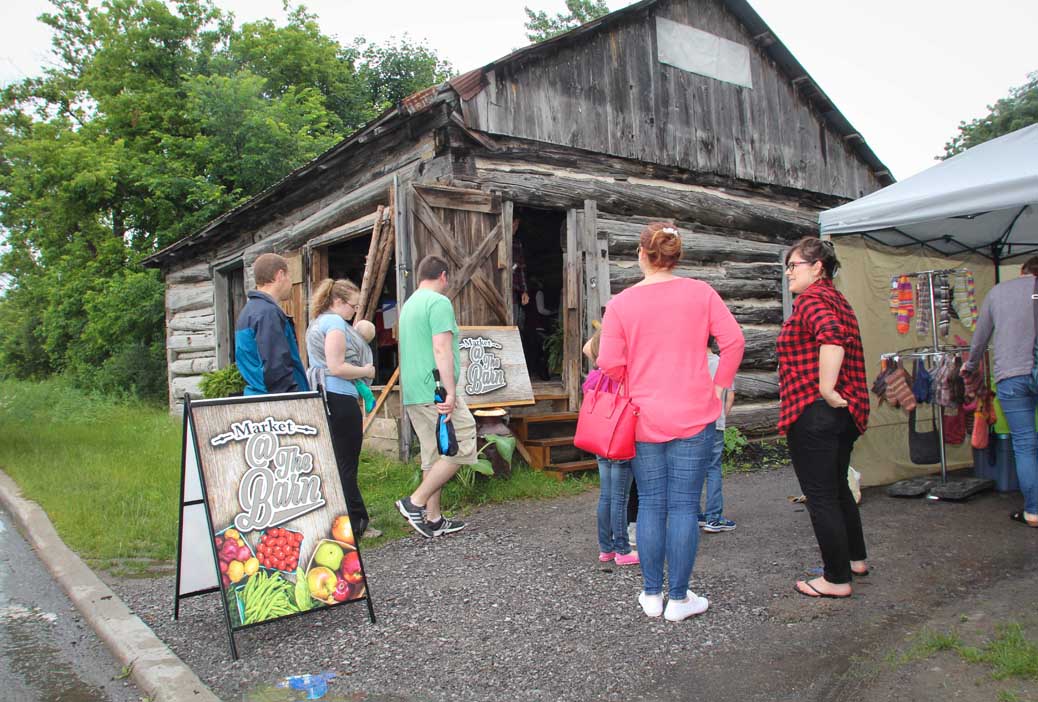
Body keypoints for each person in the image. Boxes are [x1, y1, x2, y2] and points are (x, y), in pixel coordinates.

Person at [597, 222, 745, 622]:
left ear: (642, 255)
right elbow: (734, 342)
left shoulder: (622, 304)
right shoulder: (701, 293)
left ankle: (650, 594)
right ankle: (678, 600)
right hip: (696, 416)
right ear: (676, 256)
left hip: (643, 418)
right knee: (682, 507)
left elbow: (608, 364)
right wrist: (721, 387)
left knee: (649, 504)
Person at [778, 237, 870, 599]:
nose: (789, 272)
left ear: (817, 267)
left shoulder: (813, 299)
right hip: (842, 415)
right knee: (837, 488)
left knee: (820, 495)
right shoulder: (837, 298)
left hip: (814, 412)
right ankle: (855, 558)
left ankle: (836, 578)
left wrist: (827, 387)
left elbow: (831, 339)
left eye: (794, 265)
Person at [394, 255, 478, 538]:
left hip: (414, 390)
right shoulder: (438, 303)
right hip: (436, 389)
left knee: (433, 452)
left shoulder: (408, 305)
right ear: (443, 276)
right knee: (462, 444)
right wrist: (451, 392)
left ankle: (434, 519)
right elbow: (441, 348)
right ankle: (414, 502)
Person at [963, 256, 1038, 528]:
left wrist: (970, 366)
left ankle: (1033, 511)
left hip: (1012, 374)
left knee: (1025, 445)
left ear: (1022, 272)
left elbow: (980, 336)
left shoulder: (999, 292)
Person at [305, 279, 377, 540]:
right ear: (338, 302)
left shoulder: (317, 322)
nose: (353, 313)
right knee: (346, 464)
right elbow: (337, 367)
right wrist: (365, 371)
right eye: (352, 306)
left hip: (323, 396)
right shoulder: (334, 324)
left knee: (333, 463)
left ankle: (336, 521)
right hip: (340, 397)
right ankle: (356, 524)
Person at [583, 326, 638, 566]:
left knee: (605, 496)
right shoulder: (624, 377)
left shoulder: (594, 377)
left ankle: (606, 549)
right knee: (620, 498)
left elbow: (588, 348)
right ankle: (623, 550)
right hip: (620, 441)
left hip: (599, 440)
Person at [235, 253, 309, 395]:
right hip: (276, 402)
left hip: (260, 396)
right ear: (280, 275)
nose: (290, 283)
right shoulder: (267, 313)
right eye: (289, 276)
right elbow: (275, 366)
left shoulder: (249, 311)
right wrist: (295, 399)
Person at [700, 343, 737, 533]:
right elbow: (730, 396)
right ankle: (713, 517)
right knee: (713, 468)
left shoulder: (692, 362)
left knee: (693, 468)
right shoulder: (722, 364)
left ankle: (695, 513)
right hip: (715, 422)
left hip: (693, 423)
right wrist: (723, 416)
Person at [350, 319, 378, 417]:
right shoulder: (368, 349)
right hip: (366, 379)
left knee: (356, 382)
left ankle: (368, 395)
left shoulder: (354, 344)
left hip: (357, 378)